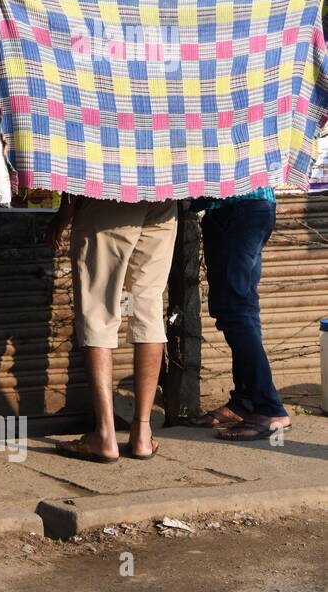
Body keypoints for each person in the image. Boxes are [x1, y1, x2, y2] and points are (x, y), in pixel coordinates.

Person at [48, 194, 177, 462]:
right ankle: (142, 432)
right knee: (147, 308)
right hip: (163, 193)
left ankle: (105, 435)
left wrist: (65, 211)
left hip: (110, 191)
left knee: (98, 309)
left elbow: (77, 152)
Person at [188, 188, 291, 440]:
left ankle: (270, 409)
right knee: (243, 307)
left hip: (239, 208)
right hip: (246, 208)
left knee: (234, 310)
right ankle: (245, 401)